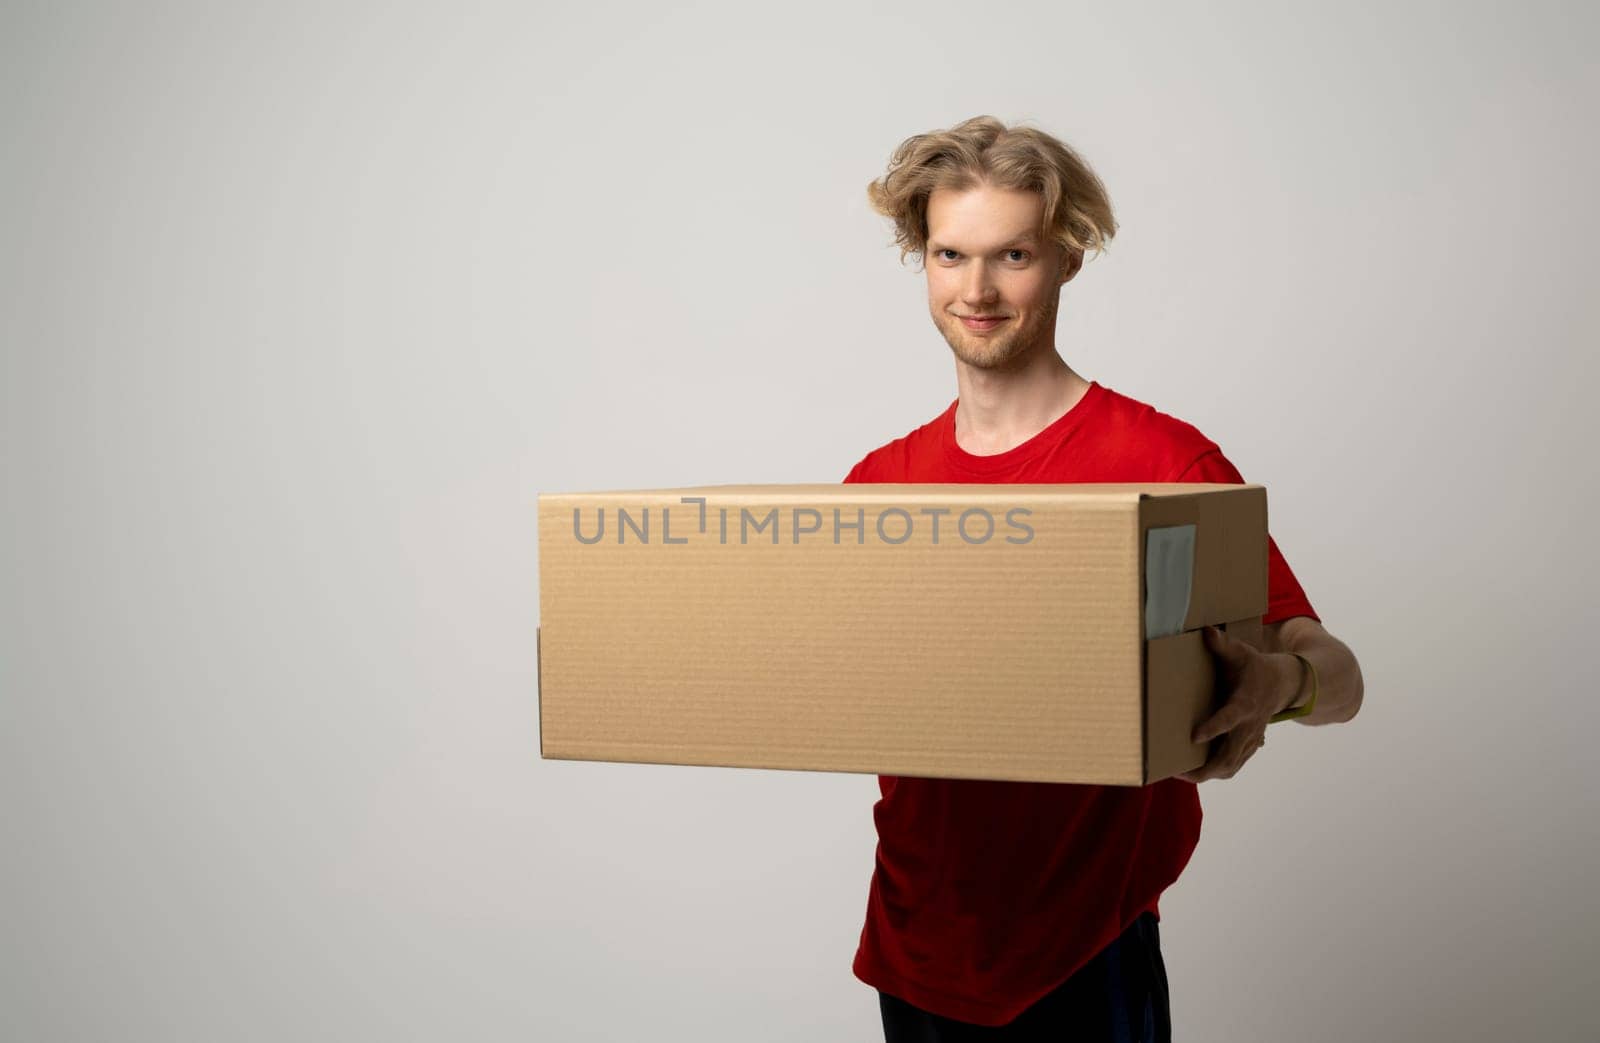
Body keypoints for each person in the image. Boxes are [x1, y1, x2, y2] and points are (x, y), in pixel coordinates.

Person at [842, 115, 1365, 1042]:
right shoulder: (880, 484)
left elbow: (1337, 673)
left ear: (1068, 258)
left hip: (1089, 945)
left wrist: (1277, 683)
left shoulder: (1161, 459)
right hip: (915, 945)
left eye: (1012, 255)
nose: (977, 290)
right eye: (949, 254)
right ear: (919, 259)